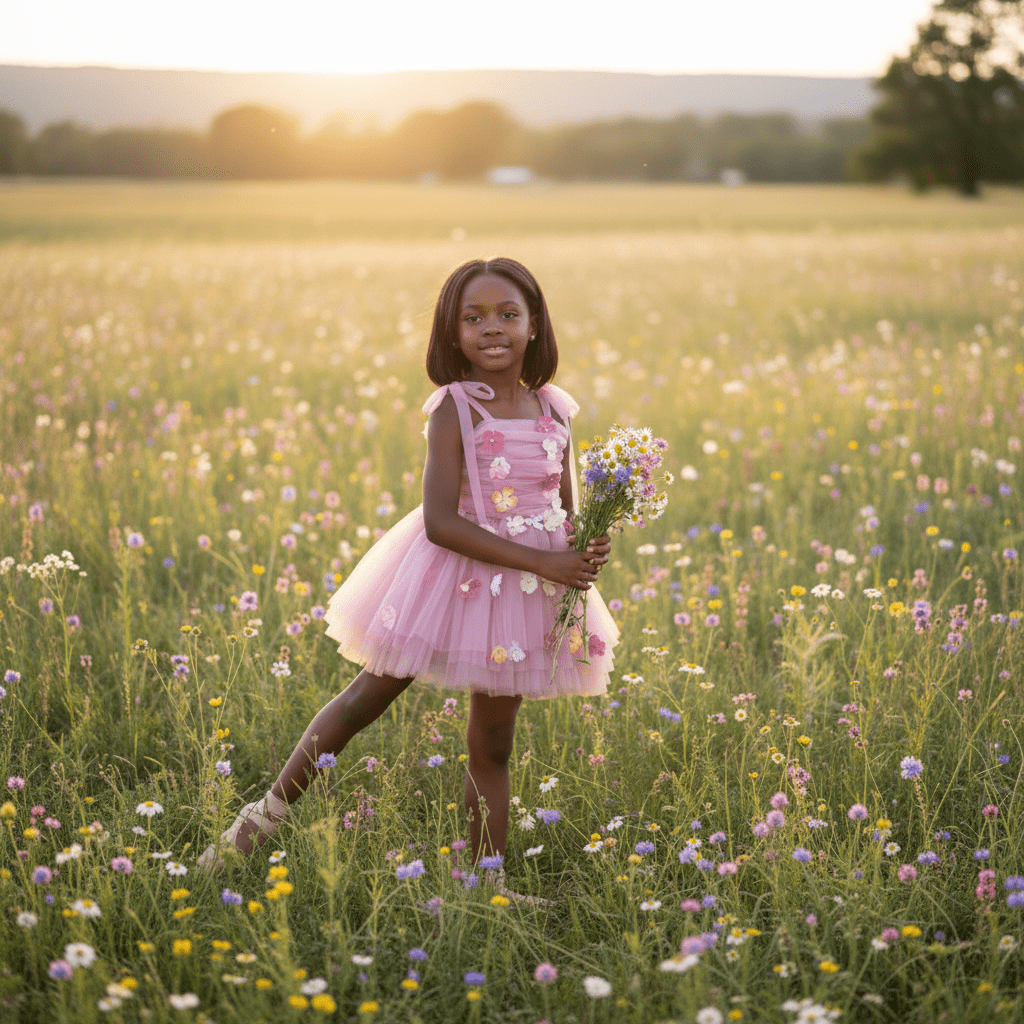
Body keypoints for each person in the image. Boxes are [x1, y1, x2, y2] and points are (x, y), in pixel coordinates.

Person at [198, 257, 618, 879]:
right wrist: (547, 562)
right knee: (369, 695)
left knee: (493, 742)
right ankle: (259, 821)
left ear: (535, 325)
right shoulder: (455, 409)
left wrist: (587, 545)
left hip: (529, 587)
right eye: (472, 318)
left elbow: (565, 503)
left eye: (508, 314)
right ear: (452, 333)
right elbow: (440, 522)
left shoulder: (554, 409)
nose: (491, 328)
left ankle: (484, 882)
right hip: (454, 574)